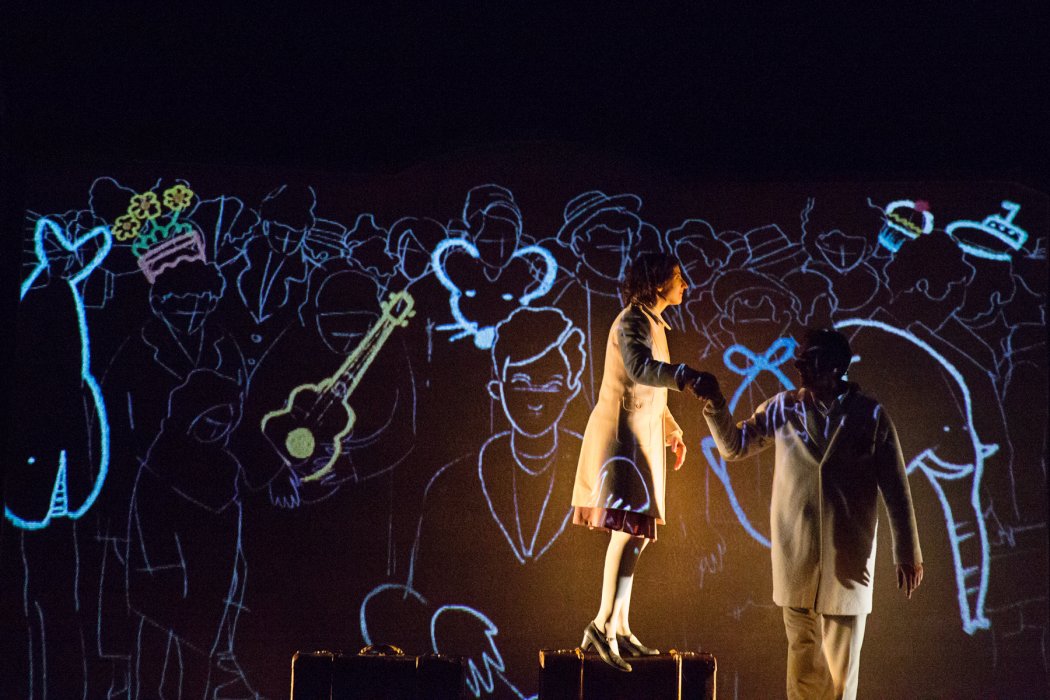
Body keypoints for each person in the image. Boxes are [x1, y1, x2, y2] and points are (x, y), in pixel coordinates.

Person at [695, 327, 924, 700]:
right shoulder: (783, 407)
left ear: (835, 366)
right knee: (802, 673)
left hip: (848, 560)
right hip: (796, 557)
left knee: (841, 676)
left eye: (809, 359)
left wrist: (908, 552)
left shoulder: (870, 415)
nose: (799, 365)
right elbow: (734, 447)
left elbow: (896, 488)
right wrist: (716, 403)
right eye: (799, 358)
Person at [570, 252, 710, 672]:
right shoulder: (631, 321)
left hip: (640, 440)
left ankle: (620, 625)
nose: (685, 285)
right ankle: (603, 624)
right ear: (658, 282)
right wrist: (683, 375)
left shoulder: (654, 324)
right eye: (678, 277)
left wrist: (672, 431)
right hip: (622, 440)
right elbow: (640, 369)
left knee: (638, 534)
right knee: (629, 531)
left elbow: (652, 388)